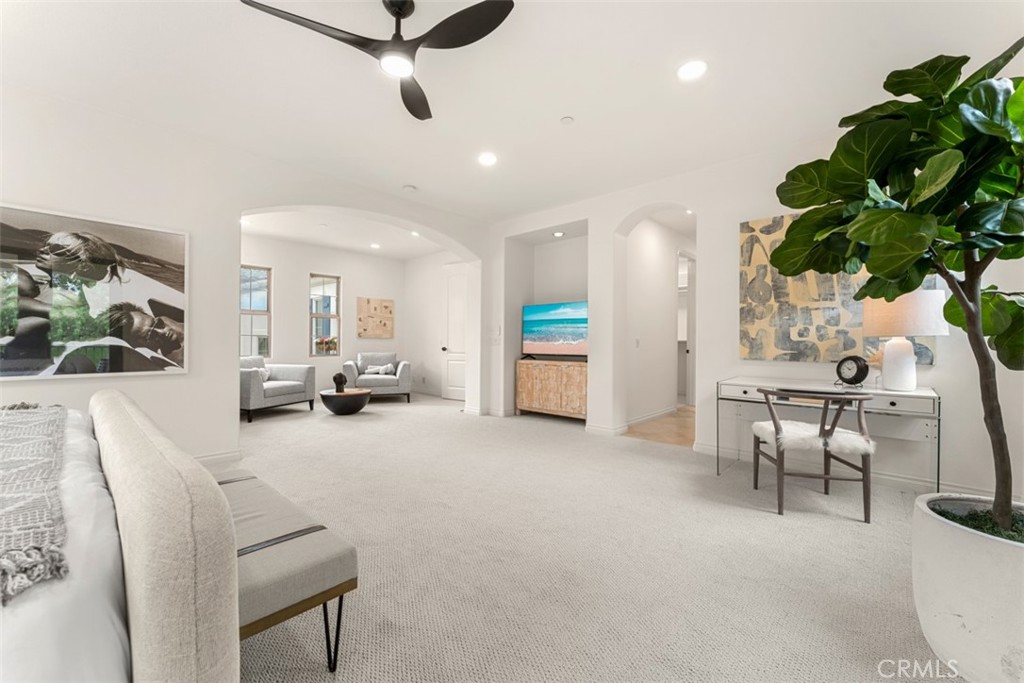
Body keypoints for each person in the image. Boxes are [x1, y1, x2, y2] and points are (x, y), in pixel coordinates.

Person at [102, 302, 184, 367]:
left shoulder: (168, 313)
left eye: (158, 323)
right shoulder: (176, 361)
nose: (162, 332)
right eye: (152, 335)